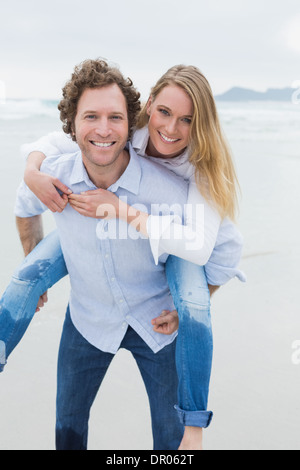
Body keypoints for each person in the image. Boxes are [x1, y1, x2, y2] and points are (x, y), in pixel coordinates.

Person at [1, 62, 245, 450]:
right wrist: (32, 171)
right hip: (89, 317)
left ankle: (195, 425)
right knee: (67, 428)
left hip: (157, 311)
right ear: (148, 108)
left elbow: (220, 248)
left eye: (187, 120)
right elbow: (57, 147)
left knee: (174, 443)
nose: (170, 129)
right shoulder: (103, 144)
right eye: (164, 112)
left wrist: (123, 211)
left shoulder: (191, 177)